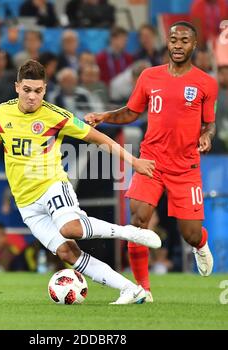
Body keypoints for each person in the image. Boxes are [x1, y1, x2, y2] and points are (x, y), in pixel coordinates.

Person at [0, 59, 161, 305]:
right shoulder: (0, 114)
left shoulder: (56, 116)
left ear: (44, 89)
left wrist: (133, 161)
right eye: (27, 90)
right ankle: (131, 290)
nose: (33, 97)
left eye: (38, 91)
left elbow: (99, 138)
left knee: (70, 228)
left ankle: (130, 232)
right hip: (25, 202)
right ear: (17, 87)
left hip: (52, 186)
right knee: (68, 252)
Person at [85, 22, 218, 302]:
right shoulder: (149, 77)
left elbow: (210, 124)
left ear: (194, 45)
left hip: (186, 167)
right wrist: (105, 116)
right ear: (167, 43)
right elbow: (131, 112)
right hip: (151, 161)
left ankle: (201, 243)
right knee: (137, 222)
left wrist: (207, 136)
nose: (178, 45)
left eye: (184, 40)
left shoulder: (206, 83)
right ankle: (143, 289)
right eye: (173, 40)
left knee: (190, 234)